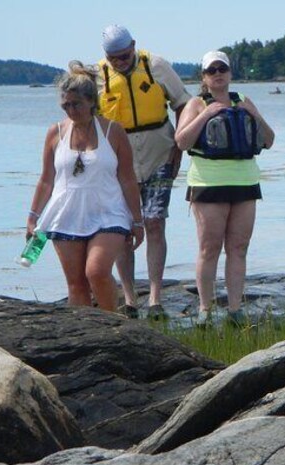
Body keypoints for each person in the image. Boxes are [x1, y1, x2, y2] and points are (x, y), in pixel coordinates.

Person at [27, 61, 144, 312]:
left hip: (108, 213)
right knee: (76, 284)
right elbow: (46, 179)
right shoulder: (55, 133)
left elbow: (127, 178)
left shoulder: (113, 132)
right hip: (66, 214)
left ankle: (113, 324)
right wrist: (33, 216)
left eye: (76, 104)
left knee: (97, 271)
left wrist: (137, 220)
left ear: (92, 101)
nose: (70, 110)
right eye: (65, 105)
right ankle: (86, 335)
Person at [98, 24, 192, 320]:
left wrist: (180, 144)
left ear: (134, 46)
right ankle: (129, 298)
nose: (120, 62)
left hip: (160, 154)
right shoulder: (97, 76)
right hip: (118, 162)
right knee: (123, 230)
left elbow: (185, 104)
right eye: (114, 58)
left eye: (124, 56)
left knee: (154, 223)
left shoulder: (157, 66)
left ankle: (155, 298)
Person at [175, 51, 275, 326]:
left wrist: (254, 114)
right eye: (212, 71)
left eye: (223, 69)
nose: (218, 74)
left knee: (239, 247)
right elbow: (182, 142)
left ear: (230, 73)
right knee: (209, 248)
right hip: (208, 185)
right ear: (204, 77)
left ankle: (235, 309)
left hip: (244, 183)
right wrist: (206, 114)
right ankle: (205, 309)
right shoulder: (195, 104)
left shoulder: (243, 101)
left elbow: (269, 140)